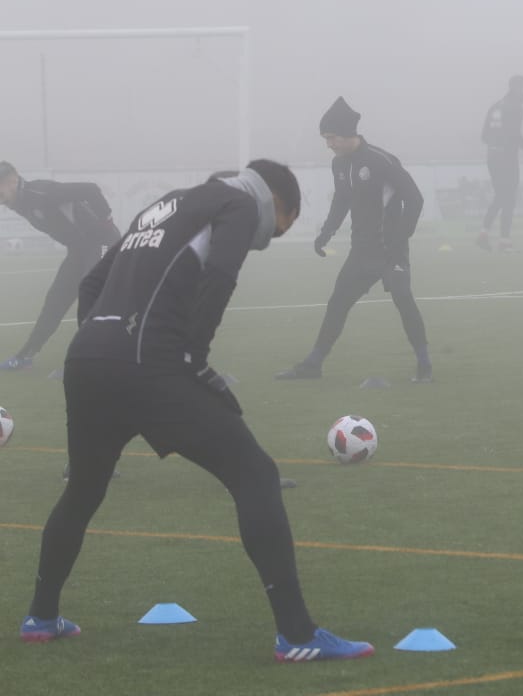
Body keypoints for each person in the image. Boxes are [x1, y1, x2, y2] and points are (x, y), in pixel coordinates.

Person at [19, 161, 374, 662]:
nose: (269, 237)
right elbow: (221, 273)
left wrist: (100, 340)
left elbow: (91, 283)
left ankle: (40, 617)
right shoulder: (236, 203)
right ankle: (297, 636)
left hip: (88, 361)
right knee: (256, 476)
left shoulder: (160, 207)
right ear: (276, 201)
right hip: (151, 366)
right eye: (281, 225)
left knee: (83, 489)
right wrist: (194, 358)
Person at [276, 98, 431, 383]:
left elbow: (415, 199)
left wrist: (400, 240)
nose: (329, 145)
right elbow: (342, 200)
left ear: (348, 133)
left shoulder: (381, 161)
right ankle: (313, 365)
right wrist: (326, 233)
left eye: (331, 138)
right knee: (338, 304)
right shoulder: (339, 165)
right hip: (361, 253)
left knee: (404, 302)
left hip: (389, 251)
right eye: (326, 139)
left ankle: (425, 368)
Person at [0, 162, 122, 370]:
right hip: (78, 249)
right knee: (55, 301)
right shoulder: (18, 202)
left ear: (12, 180)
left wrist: (106, 222)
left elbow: (91, 189)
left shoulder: (42, 192)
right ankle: (25, 356)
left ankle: (88, 359)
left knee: (89, 293)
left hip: (101, 242)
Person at [476, 75, 523, 252]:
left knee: (502, 196)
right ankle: (503, 240)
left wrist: (496, 143)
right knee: (508, 197)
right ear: (517, 88)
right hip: (507, 158)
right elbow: (515, 134)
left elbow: (484, 135)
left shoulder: (496, 106)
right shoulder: (516, 107)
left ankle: (486, 233)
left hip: (492, 157)